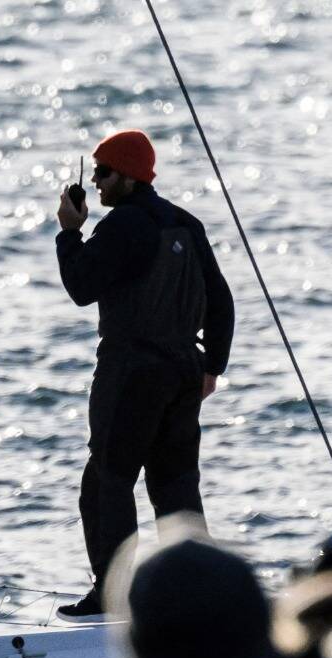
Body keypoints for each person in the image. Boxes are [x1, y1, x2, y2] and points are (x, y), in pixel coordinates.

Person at [53, 129, 235, 617]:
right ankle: (200, 594)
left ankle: (114, 599)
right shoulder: (186, 223)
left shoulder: (122, 226)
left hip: (131, 372)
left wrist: (70, 232)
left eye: (103, 172)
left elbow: (81, 285)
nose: (95, 182)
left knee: (107, 483)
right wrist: (212, 365)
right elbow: (221, 301)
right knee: (176, 486)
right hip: (182, 372)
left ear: (128, 176)